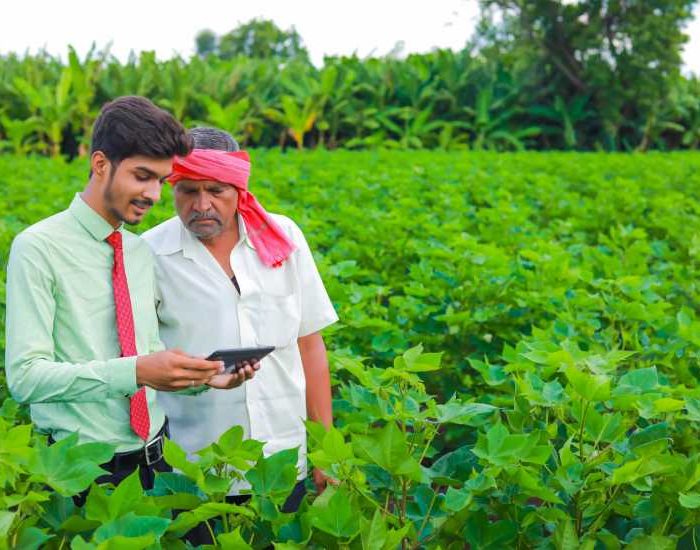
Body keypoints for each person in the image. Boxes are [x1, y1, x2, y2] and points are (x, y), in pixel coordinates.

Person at [4, 97, 238, 499]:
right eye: (141, 176)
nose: (153, 195)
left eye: (160, 182)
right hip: (82, 471)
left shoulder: (138, 251)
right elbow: (25, 379)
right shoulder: (39, 247)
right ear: (100, 165)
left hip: (156, 458)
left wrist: (200, 379)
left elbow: (145, 357)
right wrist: (138, 371)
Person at [142, 127, 338, 509]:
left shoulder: (283, 237)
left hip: (283, 461)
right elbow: (139, 362)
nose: (201, 205)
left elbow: (309, 346)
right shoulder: (149, 254)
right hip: (196, 469)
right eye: (188, 190)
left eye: (216, 191)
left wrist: (326, 451)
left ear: (239, 191)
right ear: (171, 188)